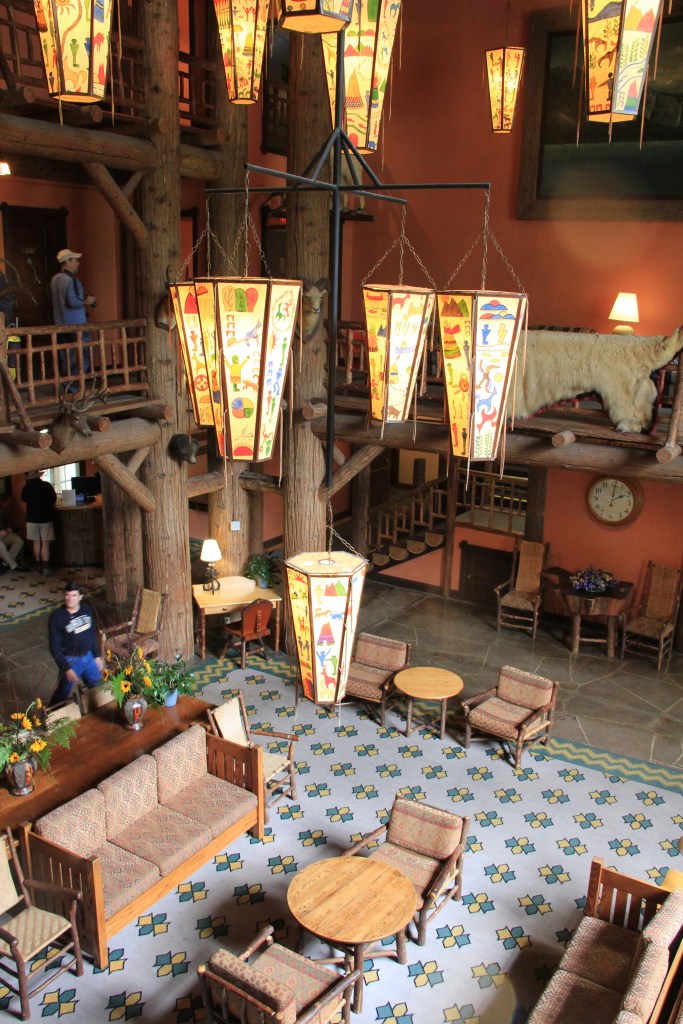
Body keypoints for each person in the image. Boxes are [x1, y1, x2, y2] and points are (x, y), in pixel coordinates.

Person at [48, 581, 103, 706]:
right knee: (62, 693)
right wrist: (66, 668)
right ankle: (52, 714)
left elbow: (91, 634)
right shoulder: (57, 617)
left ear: (80, 597)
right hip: (71, 661)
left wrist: (96, 655)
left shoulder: (86, 609)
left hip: (89, 657)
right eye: (67, 595)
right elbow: (54, 646)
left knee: (99, 688)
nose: (70, 598)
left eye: (74, 595)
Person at [49, 249, 96, 380]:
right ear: (68, 261)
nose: (78, 263)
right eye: (75, 260)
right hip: (76, 324)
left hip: (60, 324)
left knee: (65, 355)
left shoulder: (54, 279)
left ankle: (66, 381)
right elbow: (73, 302)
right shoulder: (72, 280)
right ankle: (75, 382)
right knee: (86, 352)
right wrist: (87, 301)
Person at [21, 469, 56, 575]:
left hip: (31, 519)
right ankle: (45, 567)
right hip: (45, 518)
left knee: (36, 542)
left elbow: (24, 499)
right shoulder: (47, 486)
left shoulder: (26, 488)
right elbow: (53, 500)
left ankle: (38, 564)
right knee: (45, 543)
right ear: (39, 476)